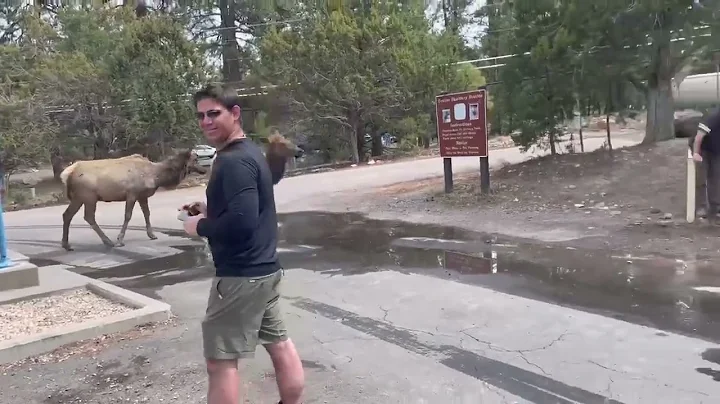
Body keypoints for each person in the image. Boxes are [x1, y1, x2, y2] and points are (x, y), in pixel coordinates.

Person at [180, 84, 305, 404]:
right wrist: (211, 209)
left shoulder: (233, 161)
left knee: (220, 362)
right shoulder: (249, 153)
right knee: (279, 343)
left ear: (235, 114)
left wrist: (200, 226)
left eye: (214, 113)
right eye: (201, 116)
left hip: (240, 276)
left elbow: (242, 222)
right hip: (264, 271)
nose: (206, 121)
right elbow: (249, 206)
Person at [691, 109, 720, 223]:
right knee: (701, 179)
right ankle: (701, 208)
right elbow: (698, 137)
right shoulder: (714, 118)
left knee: (716, 178)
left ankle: (715, 207)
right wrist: (696, 153)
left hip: (716, 151)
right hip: (703, 149)